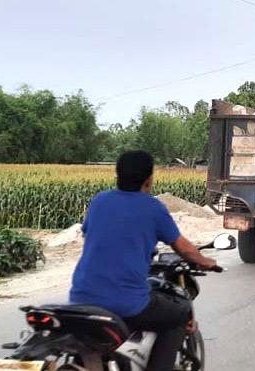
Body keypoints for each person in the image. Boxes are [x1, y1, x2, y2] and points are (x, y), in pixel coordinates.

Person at [70, 150, 221, 371]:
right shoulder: (153, 208)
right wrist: (205, 261)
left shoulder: (100, 201)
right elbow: (183, 248)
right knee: (179, 312)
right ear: (149, 179)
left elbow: (90, 235)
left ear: (118, 175)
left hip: (81, 297)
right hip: (126, 303)